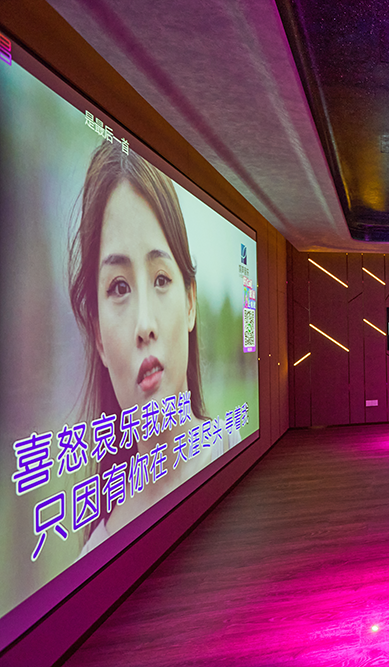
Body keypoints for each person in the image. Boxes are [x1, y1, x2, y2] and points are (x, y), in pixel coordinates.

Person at [68, 143, 224, 553]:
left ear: (189, 302)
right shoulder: (96, 556)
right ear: (99, 338)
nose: (145, 325)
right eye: (119, 287)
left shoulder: (231, 447)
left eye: (161, 279)